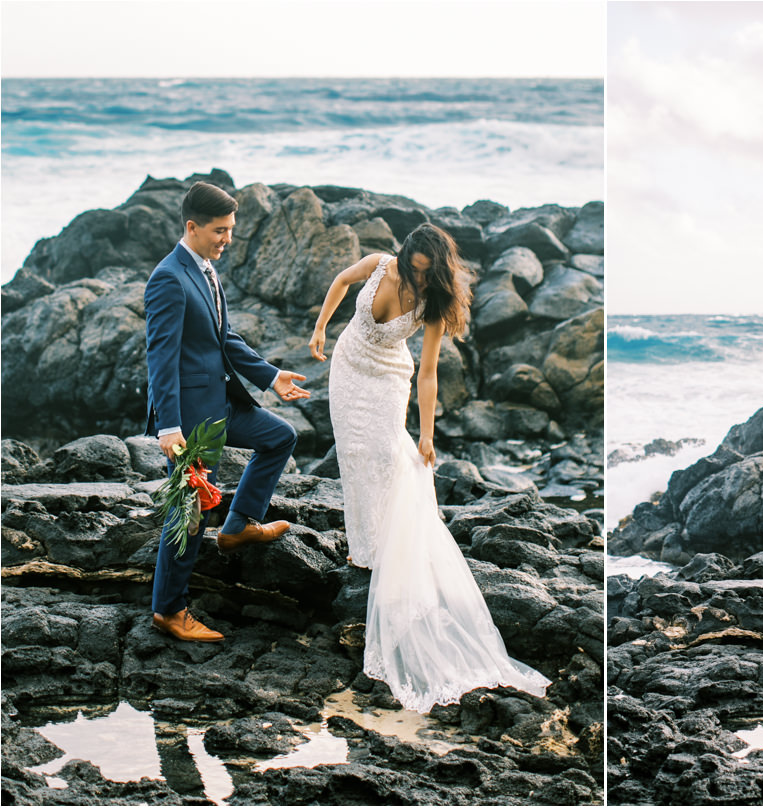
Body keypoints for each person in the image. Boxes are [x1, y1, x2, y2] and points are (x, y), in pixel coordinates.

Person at [309, 222, 550, 712]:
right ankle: (366, 548)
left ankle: (387, 547)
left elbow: (429, 371)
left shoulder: (433, 304)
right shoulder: (379, 264)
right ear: (404, 256)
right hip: (347, 367)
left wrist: (426, 433)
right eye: (412, 269)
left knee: (385, 455)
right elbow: (340, 281)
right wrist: (320, 327)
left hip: (387, 380)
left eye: (426, 273)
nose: (417, 279)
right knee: (353, 456)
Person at [144, 181, 311, 642]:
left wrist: (271, 376)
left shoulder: (206, 270)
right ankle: (168, 611)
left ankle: (238, 527)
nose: (228, 239)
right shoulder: (168, 277)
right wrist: (168, 427)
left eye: (231, 229)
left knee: (279, 437)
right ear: (192, 227)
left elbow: (225, 338)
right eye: (220, 230)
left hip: (223, 404)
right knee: (190, 512)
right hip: (192, 420)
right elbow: (160, 357)